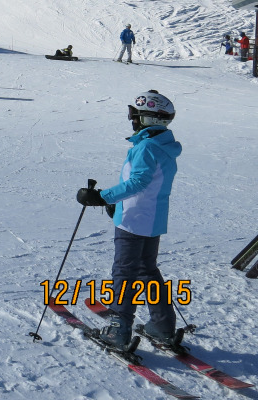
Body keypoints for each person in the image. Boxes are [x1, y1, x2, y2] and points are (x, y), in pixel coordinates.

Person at [76, 90, 180, 350]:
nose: (131, 120)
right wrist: (116, 203)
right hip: (150, 219)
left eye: (135, 115)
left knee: (124, 274)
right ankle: (163, 326)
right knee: (147, 272)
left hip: (134, 221)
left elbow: (139, 182)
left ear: (149, 120)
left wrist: (103, 197)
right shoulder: (162, 145)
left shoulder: (146, 147)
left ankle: (118, 331)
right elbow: (149, 185)